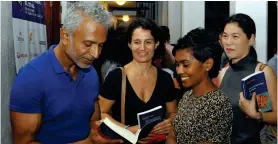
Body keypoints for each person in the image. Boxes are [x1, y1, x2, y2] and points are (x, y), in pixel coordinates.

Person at [9, 2, 122, 144]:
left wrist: (101, 136)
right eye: (88, 44)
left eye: (100, 45)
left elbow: (93, 122)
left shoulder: (90, 72)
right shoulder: (30, 79)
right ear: (65, 36)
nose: (96, 54)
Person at [98, 18, 177, 143]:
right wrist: (128, 129)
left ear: (156, 44)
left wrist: (168, 123)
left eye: (148, 42)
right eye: (137, 42)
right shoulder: (117, 77)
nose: (142, 48)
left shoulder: (165, 79)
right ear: (129, 44)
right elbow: (101, 113)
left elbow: (172, 112)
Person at [216, 13, 277, 144]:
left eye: (235, 36)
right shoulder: (223, 73)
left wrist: (256, 115)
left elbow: (276, 116)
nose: (228, 42)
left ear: (251, 39)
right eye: (225, 36)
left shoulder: (262, 72)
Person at [166, 27, 233, 144]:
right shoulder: (187, 96)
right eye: (177, 64)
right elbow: (172, 136)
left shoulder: (217, 103)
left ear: (208, 64)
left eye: (185, 65)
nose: (179, 71)